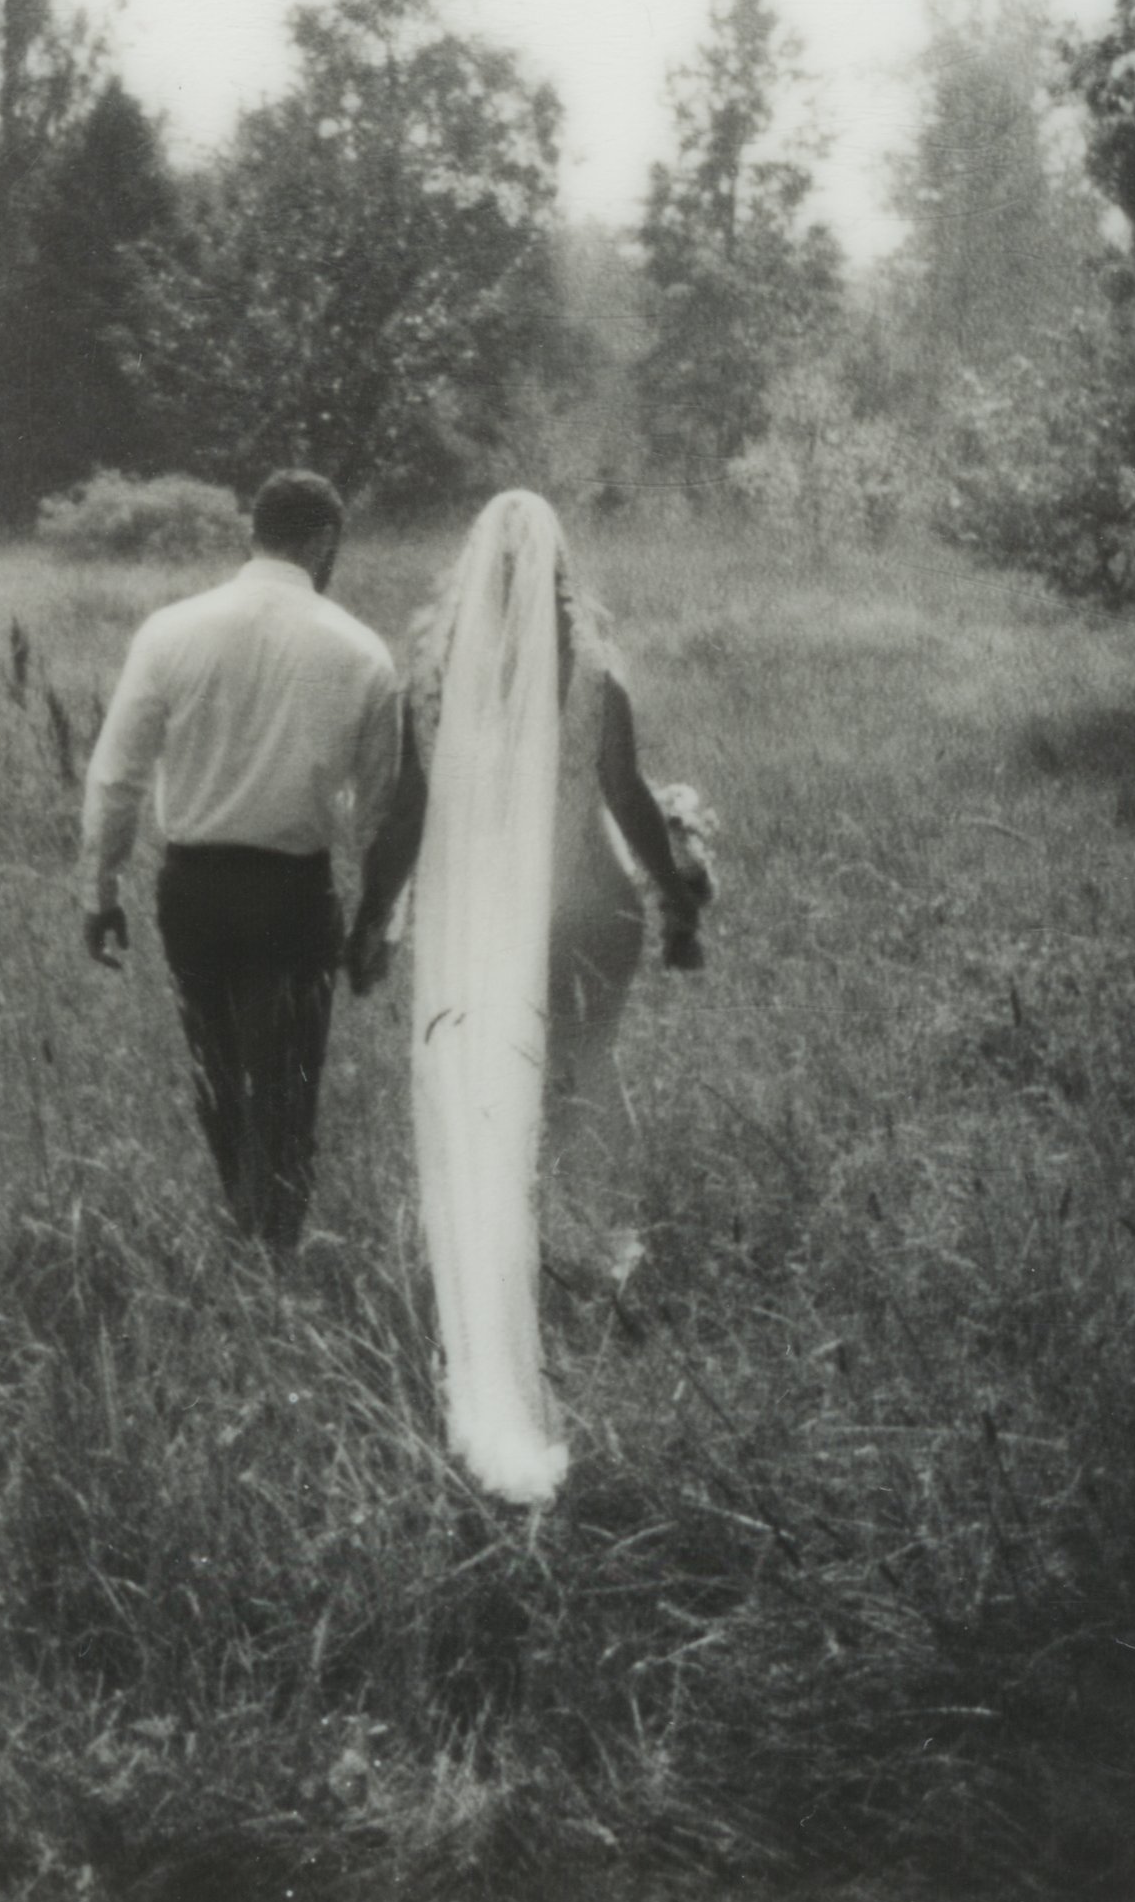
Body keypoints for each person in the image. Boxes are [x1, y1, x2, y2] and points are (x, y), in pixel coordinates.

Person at [342, 491, 707, 1505]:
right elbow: (627, 797)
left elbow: (405, 817)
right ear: (557, 576)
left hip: (481, 922)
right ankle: (590, 1259)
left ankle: (507, 1267)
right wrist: (678, 903)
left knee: (491, 1094)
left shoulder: (432, 680)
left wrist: (370, 921)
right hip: (588, 905)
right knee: (587, 1076)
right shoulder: (593, 670)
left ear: (469, 578)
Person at [79, 469, 402, 1251]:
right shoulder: (361, 651)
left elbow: (116, 775)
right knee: (287, 1085)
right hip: (292, 893)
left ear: (251, 534)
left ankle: (245, 1230)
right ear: (324, 541)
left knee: (219, 1076)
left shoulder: (170, 631)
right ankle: (273, 1248)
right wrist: (378, 923)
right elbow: (381, 814)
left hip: (194, 890)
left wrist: (101, 891)